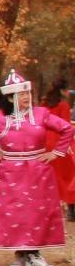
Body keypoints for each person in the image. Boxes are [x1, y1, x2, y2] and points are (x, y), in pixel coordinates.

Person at [0, 70, 75, 266]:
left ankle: (34, 254)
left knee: (36, 213)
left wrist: (56, 153)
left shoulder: (41, 114)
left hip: (38, 171)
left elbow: (67, 129)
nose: (27, 97)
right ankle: (21, 253)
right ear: (10, 97)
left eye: (28, 93)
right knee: (15, 213)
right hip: (10, 172)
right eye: (21, 94)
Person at [50, 84, 75, 222]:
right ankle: (71, 212)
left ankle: (52, 209)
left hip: (45, 144)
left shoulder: (43, 105)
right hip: (61, 143)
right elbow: (66, 126)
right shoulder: (63, 105)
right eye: (66, 90)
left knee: (52, 177)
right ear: (61, 91)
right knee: (69, 176)